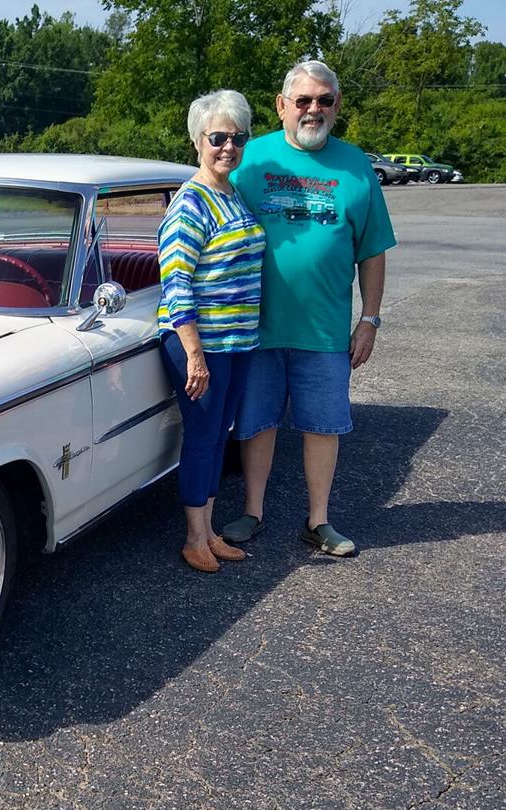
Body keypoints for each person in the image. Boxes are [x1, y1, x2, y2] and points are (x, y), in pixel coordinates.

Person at [225, 60, 396, 556]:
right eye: (303, 100)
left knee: (323, 425)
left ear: (337, 105)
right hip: (255, 326)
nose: (313, 109)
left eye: (324, 100)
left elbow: (373, 249)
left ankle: (318, 521)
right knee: (256, 421)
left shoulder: (356, 166)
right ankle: (252, 511)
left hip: (324, 330)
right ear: (281, 106)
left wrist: (370, 319)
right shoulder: (249, 161)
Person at [157, 90, 266, 573]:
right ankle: (194, 538)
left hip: (238, 341)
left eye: (237, 138)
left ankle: (211, 530)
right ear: (198, 141)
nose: (228, 147)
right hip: (200, 344)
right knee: (202, 437)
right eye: (218, 137)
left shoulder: (231, 193)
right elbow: (176, 283)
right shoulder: (191, 203)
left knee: (222, 437)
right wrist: (194, 355)